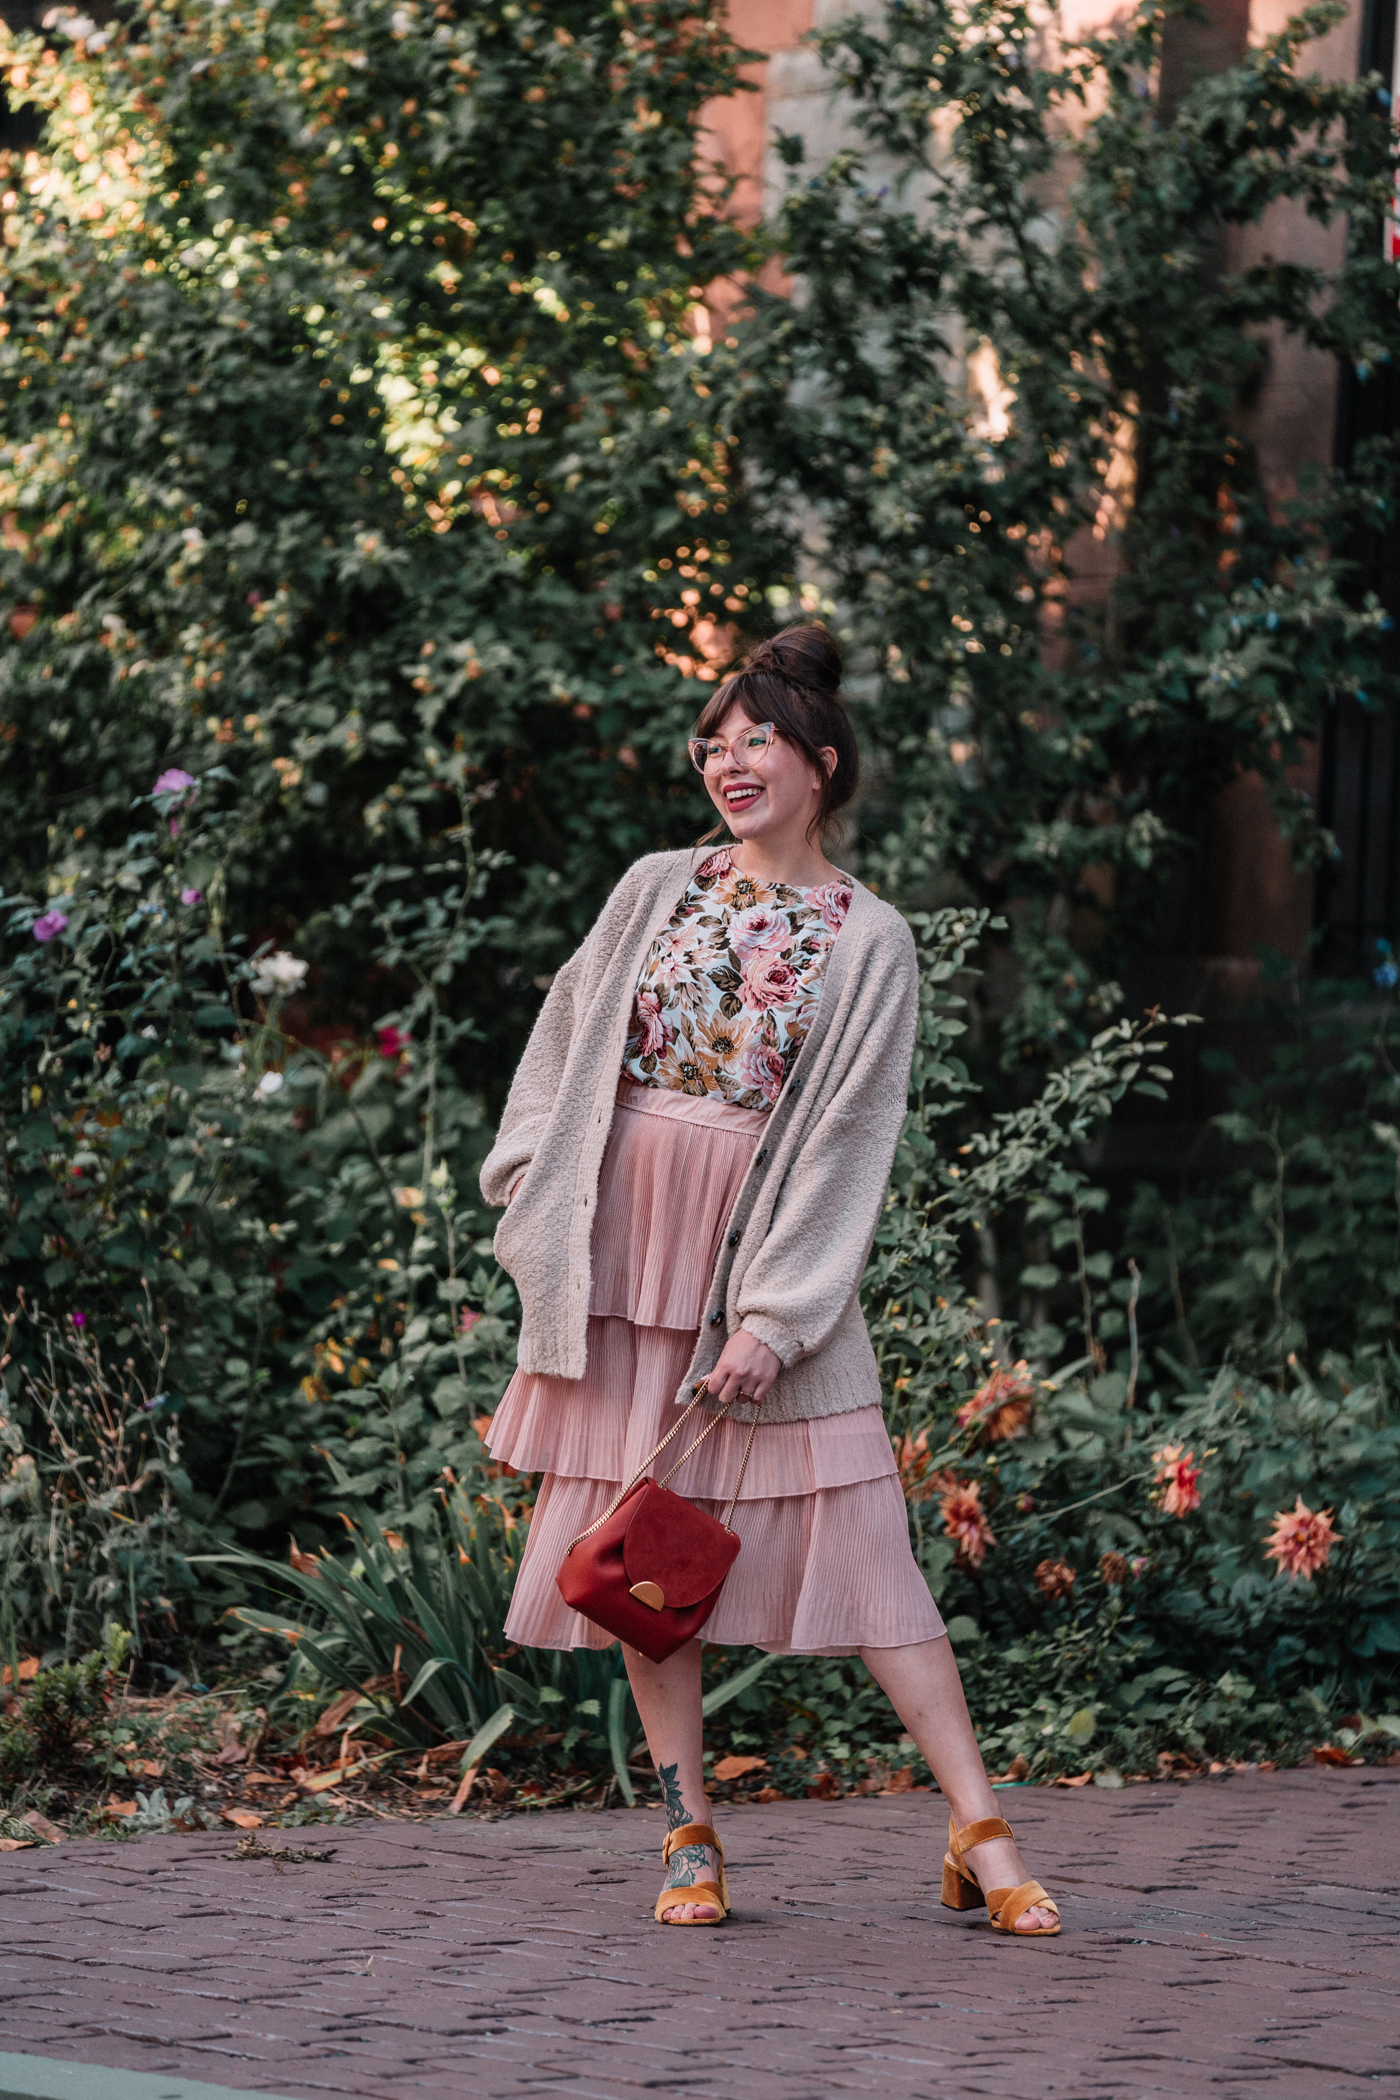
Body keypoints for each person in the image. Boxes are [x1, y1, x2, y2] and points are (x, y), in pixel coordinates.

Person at [479, 624, 1059, 1937]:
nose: (727, 762)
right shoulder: (652, 887)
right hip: (627, 1254)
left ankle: (983, 1826)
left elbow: (852, 1134)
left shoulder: (872, 940)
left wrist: (780, 1315)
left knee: (869, 1542)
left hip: (763, 1252)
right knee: (643, 1558)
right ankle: (689, 1832)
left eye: (757, 740)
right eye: (714, 742)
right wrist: (532, 1179)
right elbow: (568, 1033)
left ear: (823, 762)